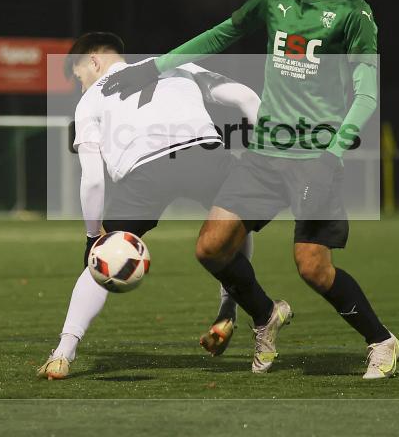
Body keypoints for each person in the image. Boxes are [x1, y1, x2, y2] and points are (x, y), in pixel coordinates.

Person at [100, 0, 399, 379]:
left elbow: (366, 91)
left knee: (312, 268)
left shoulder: (354, 14)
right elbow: (223, 34)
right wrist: (154, 66)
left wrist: (334, 152)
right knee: (211, 248)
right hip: (263, 153)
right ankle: (265, 315)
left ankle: (382, 341)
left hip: (314, 156)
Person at [37, 31, 261, 380]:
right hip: (205, 153)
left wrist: (91, 236)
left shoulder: (91, 100)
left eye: (80, 76)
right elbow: (246, 97)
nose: (82, 86)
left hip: (145, 172)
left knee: (101, 258)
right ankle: (228, 307)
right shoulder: (177, 65)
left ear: (94, 61)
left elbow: (93, 180)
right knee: (232, 223)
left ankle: (63, 353)